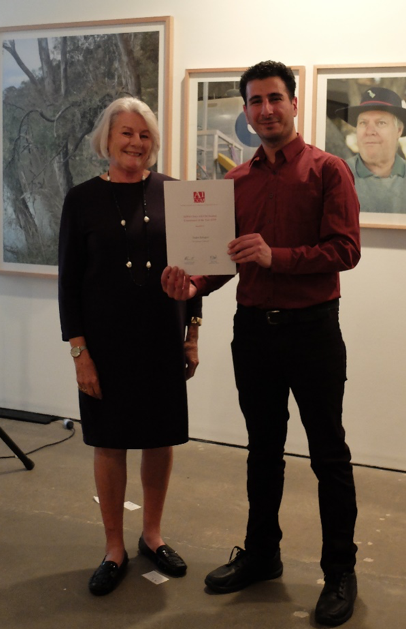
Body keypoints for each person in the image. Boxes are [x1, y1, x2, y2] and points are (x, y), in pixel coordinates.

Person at [162, 61, 361, 627]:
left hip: (314, 330)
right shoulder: (234, 183)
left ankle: (341, 571)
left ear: (294, 104)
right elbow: (224, 263)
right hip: (253, 333)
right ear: (246, 112)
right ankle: (263, 554)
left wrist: (280, 257)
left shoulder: (328, 170)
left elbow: (346, 250)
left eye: (275, 98)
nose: (265, 109)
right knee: (262, 450)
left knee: (329, 455)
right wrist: (192, 283)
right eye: (255, 101)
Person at [58, 96, 202, 596]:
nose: (136, 142)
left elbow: (196, 271)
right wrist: (80, 353)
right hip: (105, 343)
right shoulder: (80, 199)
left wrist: (193, 332)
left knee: (159, 438)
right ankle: (114, 547)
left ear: (153, 143)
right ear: (107, 138)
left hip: (162, 337)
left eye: (144, 135)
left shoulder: (176, 194)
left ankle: (153, 534)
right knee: (110, 440)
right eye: (126, 132)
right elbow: (68, 284)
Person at [337, 86, 406, 213]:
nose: (369, 131)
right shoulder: (337, 177)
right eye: (363, 123)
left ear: (398, 130)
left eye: (381, 123)